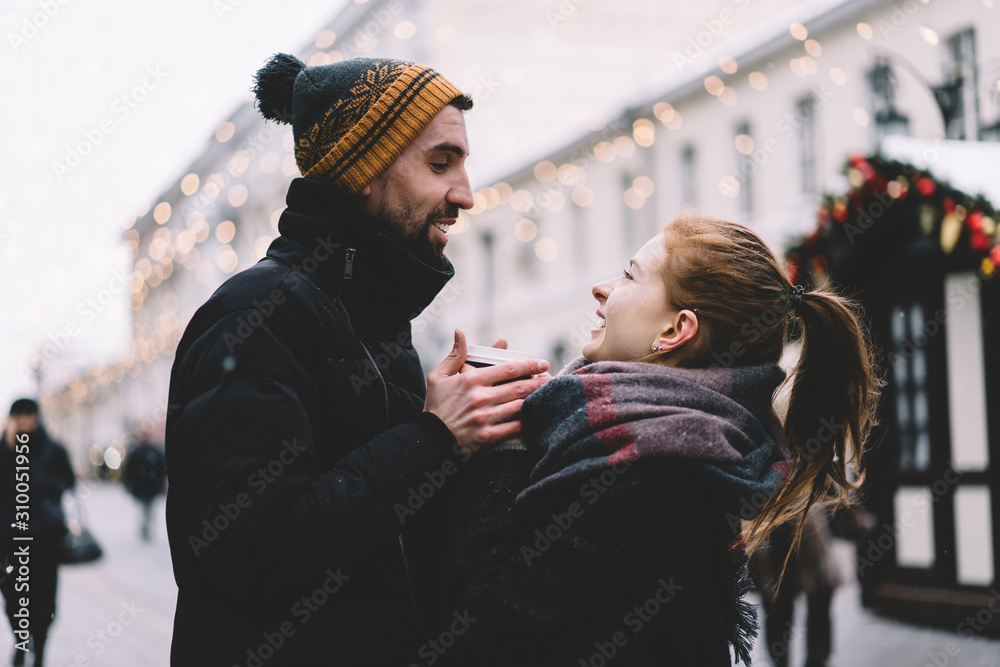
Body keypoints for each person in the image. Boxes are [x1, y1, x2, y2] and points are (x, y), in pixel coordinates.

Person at [164, 54, 549, 666]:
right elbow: (251, 551)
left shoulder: (386, 338)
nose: (466, 196)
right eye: (440, 163)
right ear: (364, 169)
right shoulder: (256, 316)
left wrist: (490, 448)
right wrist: (435, 435)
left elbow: (391, 543)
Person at [439, 213, 880, 665]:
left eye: (629, 275)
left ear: (674, 331)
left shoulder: (643, 475)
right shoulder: (665, 445)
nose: (602, 287)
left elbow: (486, 635)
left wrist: (499, 451)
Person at [0, 398, 76, 667]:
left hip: (45, 536)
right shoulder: (4, 448)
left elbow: (68, 480)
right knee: (11, 595)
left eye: (27, 414)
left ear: (37, 417)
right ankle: (22, 642)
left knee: (44, 598)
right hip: (8, 539)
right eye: (17, 415)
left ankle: (40, 649)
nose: (23, 420)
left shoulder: (53, 449)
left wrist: (43, 482)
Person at [752, 505, 843, 667]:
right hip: (773, 532)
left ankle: (816, 659)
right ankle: (781, 660)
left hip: (809, 528)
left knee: (818, 597)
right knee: (777, 605)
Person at [121, 428, 167, 541]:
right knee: (144, 507)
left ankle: (146, 527)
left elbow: (162, 469)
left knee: (148, 508)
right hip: (143, 486)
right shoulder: (138, 452)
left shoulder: (153, 451)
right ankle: (145, 527)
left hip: (150, 486)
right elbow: (129, 470)